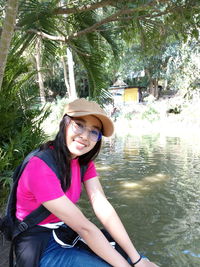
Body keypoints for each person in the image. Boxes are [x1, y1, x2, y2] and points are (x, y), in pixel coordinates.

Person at [14, 98, 159, 267]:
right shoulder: (40, 167)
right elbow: (84, 228)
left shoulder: (83, 163)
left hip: (64, 231)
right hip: (39, 244)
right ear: (65, 123)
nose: (84, 136)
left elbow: (102, 206)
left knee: (133, 257)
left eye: (93, 131)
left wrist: (137, 259)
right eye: (79, 125)